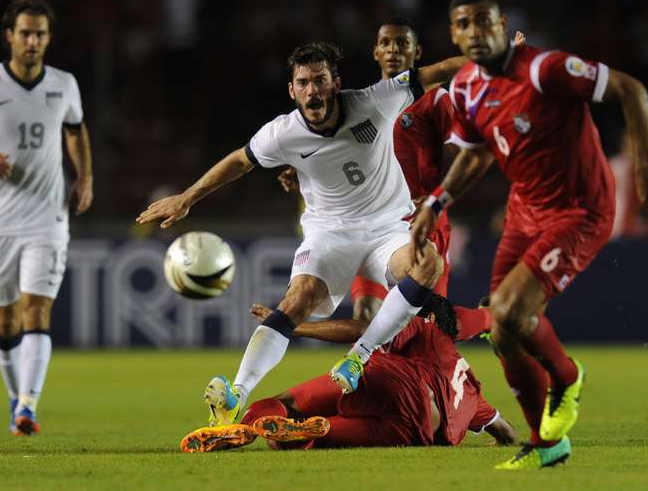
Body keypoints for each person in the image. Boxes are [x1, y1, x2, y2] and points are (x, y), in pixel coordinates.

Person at [411, 0, 648, 469]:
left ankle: (567, 376)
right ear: (453, 33)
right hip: (524, 210)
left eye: (484, 20)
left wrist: (644, 169)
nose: (475, 31)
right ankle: (547, 443)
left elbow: (630, 90)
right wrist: (438, 199)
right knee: (503, 329)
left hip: (580, 210)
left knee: (511, 310)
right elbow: (475, 154)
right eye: (464, 23)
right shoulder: (468, 85)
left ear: (502, 23)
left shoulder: (544, 68)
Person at [137, 41, 468, 425]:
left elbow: (441, 69)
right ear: (292, 91)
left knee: (427, 262)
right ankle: (236, 395)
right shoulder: (282, 134)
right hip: (330, 233)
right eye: (304, 82)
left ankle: (358, 357)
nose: (313, 90)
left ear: (335, 83)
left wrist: (499, 62)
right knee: (296, 301)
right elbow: (239, 162)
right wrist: (188, 198)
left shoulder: (375, 101)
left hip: (386, 230)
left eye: (320, 80)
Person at [277, 19, 526, 322]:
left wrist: (439, 197)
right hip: (369, 223)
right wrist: (300, 169)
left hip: (423, 222)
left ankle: (488, 319)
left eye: (402, 44)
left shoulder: (435, 100)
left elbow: (468, 154)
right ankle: (356, 365)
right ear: (375, 53)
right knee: (366, 315)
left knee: (430, 323)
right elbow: (334, 153)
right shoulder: (363, 104)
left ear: (417, 52)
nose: (393, 50)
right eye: (386, 43)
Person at [0, 0, 94, 436]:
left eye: (40, 34)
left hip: (47, 216)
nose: (32, 41)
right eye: (25, 33)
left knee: (36, 309)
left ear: (48, 38)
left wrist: (85, 177)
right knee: (5, 319)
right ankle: (15, 397)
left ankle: (28, 405)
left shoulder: (64, 84)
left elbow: (75, 129)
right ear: (10, 36)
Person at [180, 294, 518, 452]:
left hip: (402, 383)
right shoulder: (474, 391)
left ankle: (242, 425)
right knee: (307, 436)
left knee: (285, 403)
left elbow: (362, 328)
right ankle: (309, 432)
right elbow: (507, 432)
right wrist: (496, 442)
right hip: (417, 430)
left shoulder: (425, 330)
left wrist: (297, 329)